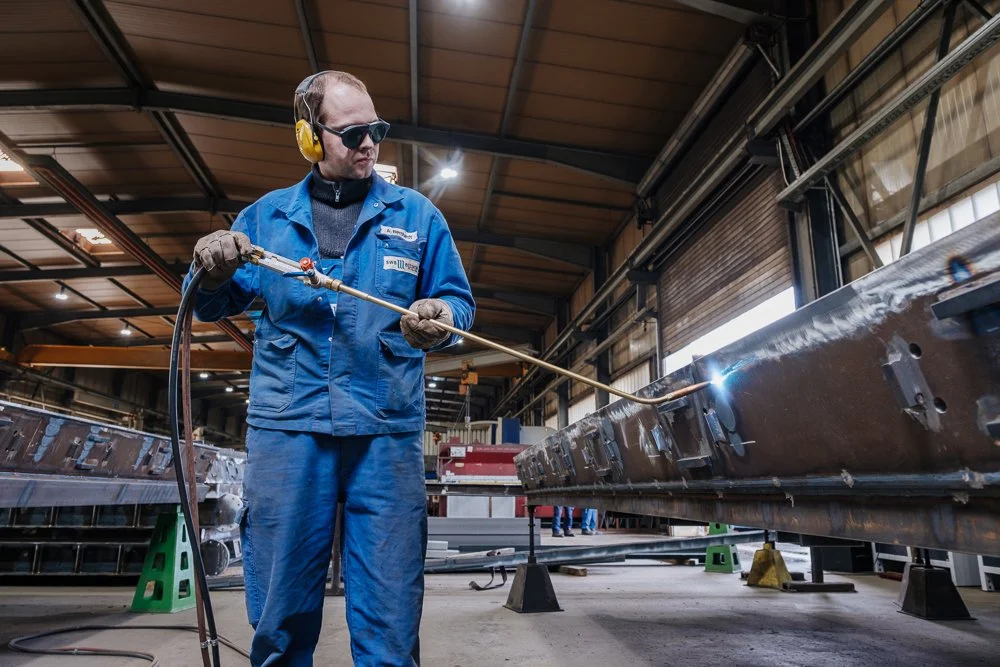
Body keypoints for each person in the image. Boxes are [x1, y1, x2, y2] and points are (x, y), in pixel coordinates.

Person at [185, 70, 475, 667]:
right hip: (290, 433)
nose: (369, 143)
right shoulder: (266, 221)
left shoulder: (418, 218)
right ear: (310, 139)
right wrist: (209, 268)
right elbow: (212, 303)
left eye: (377, 130)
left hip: (385, 432)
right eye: (352, 133)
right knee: (281, 607)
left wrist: (441, 312)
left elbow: (459, 303)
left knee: (391, 611)